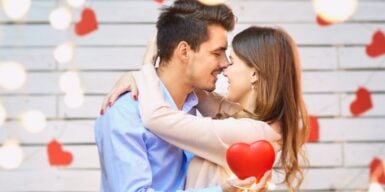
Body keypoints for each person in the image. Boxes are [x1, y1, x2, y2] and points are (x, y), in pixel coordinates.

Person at [102, 26, 310, 191]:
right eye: (219, 55)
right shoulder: (258, 122)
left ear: (254, 74)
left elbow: (156, 118)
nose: (224, 67)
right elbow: (194, 87)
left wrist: (147, 65)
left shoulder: (250, 133)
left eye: (232, 61)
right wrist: (140, 76)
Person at [94, 0, 262, 191]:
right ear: (184, 52)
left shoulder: (192, 104)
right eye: (217, 53)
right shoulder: (125, 113)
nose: (225, 63)